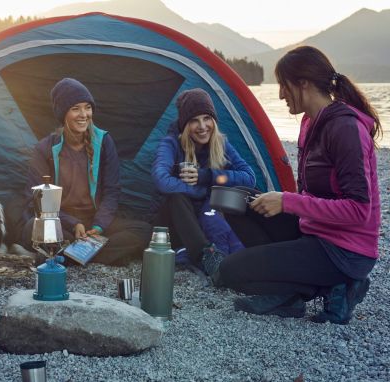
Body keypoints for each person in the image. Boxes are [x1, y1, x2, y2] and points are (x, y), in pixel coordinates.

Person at [216, 46, 382, 324]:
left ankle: (338, 285)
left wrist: (287, 201)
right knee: (234, 198)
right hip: (314, 231)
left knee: (230, 271)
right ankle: (291, 293)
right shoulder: (309, 122)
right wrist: (285, 203)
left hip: (345, 250)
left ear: (303, 83)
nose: (280, 94)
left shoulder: (345, 129)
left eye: (284, 85)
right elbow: (313, 193)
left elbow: (358, 210)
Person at [21, 78, 151, 265]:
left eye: (87, 107)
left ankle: (68, 255)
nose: (84, 114)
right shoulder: (45, 148)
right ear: (63, 113)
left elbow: (112, 190)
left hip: (95, 222)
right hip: (61, 222)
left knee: (144, 231)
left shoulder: (104, 141)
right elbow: (37, 200)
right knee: (31, 228)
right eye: (76, 108)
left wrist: (99, 225)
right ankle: (95, 254)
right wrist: (73, 223)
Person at [151, 88, 255, 273]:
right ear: (184, 125)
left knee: (233, 196)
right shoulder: (171, 143)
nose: (202, 126)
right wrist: (200, 190)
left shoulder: (221, 143)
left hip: (209, 212)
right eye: (194, 120)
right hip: (179, 219)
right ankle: (205, 256)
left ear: (214, 121)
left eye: (207, 118)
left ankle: (234, 254)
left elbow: (249, 178)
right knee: (176, 197)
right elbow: (161, 179)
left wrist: (208, 176)